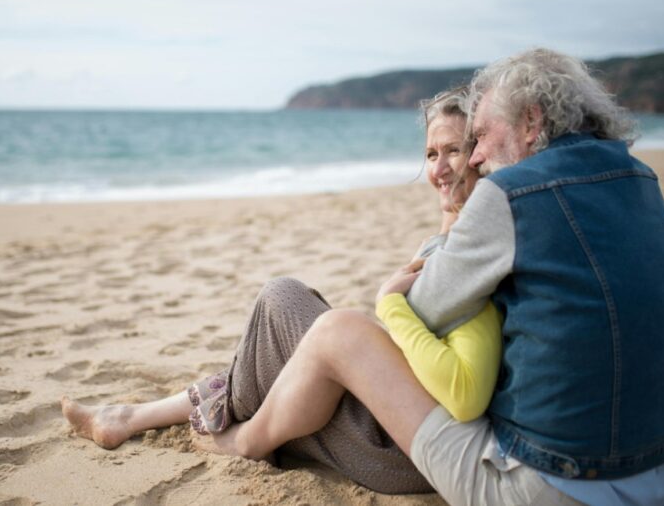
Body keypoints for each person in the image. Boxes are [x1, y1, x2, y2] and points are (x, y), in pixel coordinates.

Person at [169, 49, 664, 506]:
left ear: (532, 121)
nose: (479, 156)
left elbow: (423, 306)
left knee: (338, 330)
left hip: (557, 484)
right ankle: (209, 404)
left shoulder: (513, 194)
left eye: (480, 136)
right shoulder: (639, 177)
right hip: (662, 469)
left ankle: (240, 439)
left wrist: (390, 296)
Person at [61, 87, 500, 494]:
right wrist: (453, 209)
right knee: (282, 330)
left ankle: (176, 423)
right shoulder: (452, 239)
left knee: (280, 304)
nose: (438, 169)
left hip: (400, 445)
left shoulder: (470, 253)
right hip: (390, 419)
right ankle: (129, 417)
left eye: (453, 151)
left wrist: (390, 304)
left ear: (479, 154)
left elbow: (456, 385)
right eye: (430, 154)